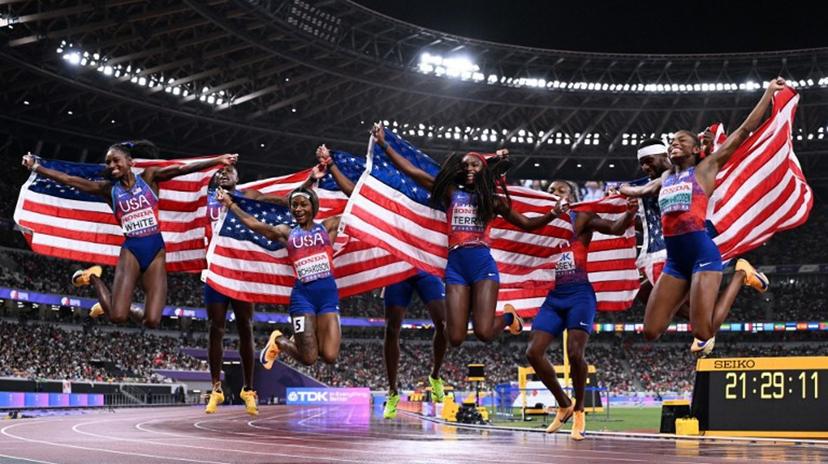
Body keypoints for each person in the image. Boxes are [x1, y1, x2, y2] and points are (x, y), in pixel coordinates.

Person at [619, 78, 784, 355]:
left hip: (703, 256)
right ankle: (732, 281)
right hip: (675, 262)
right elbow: (643, 189)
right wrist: (621, 189)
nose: (674, 144)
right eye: (672, 141)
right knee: (650, 330)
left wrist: (768, 93)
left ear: (696, 150)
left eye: (682, 141)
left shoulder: (706, 168)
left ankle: (739, 278)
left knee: (703, 332)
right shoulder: (666, 176)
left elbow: (744, 131)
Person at [372, 124, 558, 347]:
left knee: (484, 333)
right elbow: (412, 172)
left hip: (483, 267)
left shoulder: (493, 201)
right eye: (465, 165)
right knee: (456, 338)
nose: (469, 167)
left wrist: (553, 214)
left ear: (483, 169)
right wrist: (384, 144)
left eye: (475, 164)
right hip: (456, 268)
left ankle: (509, 317)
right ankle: (474, 306)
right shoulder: (451, 193)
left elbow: (527, 223)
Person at [21, 141, 236, 328]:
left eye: (116, 161)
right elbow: (69, 180)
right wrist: (37, 167)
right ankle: (93, 277)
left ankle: (118, 298)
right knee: (117, 316)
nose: (112, 166)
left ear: (130, 162)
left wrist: (218, 160)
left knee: (152, 321)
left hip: (156, 250)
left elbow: (182, 169)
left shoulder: (150, 177)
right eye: (109, 163)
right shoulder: (108, 189)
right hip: (131, 250)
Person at [315, 145, 447, 419]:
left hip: (423, 266)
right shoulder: (388, 200)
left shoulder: (426, 197)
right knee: (391, 330)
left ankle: (435, 375)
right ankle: (392, 391)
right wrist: (332, 165)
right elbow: (354, 194)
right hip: (395, 268)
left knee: (445, 324)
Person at [203, 165, 316, 415]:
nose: (224, 174)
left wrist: (309, 182)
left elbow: (283, 201)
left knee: (246, 326)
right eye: (220, 172)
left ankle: (248, 389)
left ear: (238, 177)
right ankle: (216, 388)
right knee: (216, 328)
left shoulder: (248, 197)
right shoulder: (205, 199)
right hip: (216, 269)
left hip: (243, 272)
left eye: (230, 171)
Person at [528, 181, 637, 441]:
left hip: (579, 295)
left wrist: (630, 212)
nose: (555, 194)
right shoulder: (542, 223)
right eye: (551, 191)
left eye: (561, 190)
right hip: (554, 298)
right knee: (533, 352)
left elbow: (613, 228)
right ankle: (564, 402)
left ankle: (579, 410)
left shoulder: (583, 216)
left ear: (573, 196)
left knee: (576, 354)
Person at [216, 186, 342, 367]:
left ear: (313, 207)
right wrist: (230, 205)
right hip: (303, 298)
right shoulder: (287, 232)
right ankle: (280, 341)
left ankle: (303, 338)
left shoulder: (328, 227)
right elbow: (255, 225)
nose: (298, 209)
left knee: (330, 356)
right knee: (309, 359)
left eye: (303, 205)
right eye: (294, 205)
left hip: (328, 297)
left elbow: (357, 211)